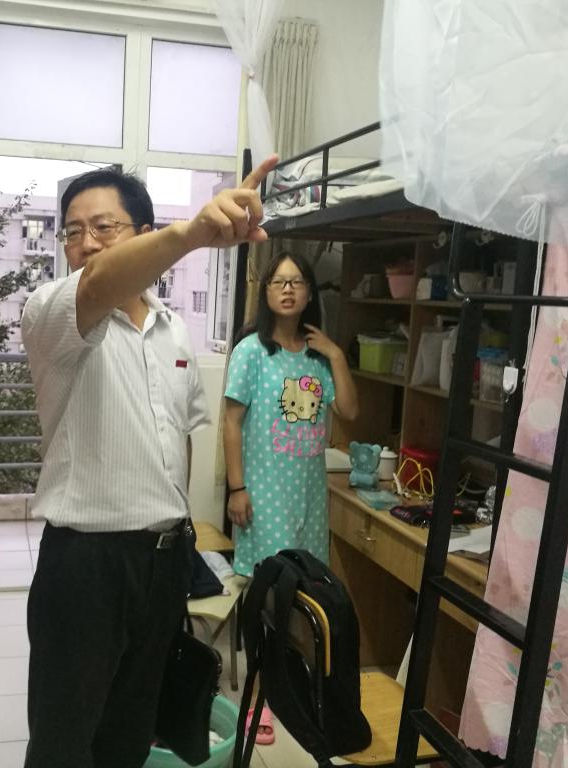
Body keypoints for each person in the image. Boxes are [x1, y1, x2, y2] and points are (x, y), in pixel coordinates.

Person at [21, 156, 278, 768]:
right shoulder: (53, 310)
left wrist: (181, 531)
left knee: (132, 729)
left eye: (104, 227)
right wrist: (194, 234)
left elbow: (180, 439)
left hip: (163, 560)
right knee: (63, 739)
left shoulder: (175, 331)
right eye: (73, 231)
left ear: (141, 232)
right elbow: (97, 282)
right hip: (85, 564)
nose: (86, 243)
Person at [223, 251, 359, 577]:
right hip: (265, 496)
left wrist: (336, 355)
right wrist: (237, 489)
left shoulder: (319, 356)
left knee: (306, 583)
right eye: (279, 282)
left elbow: (349, 410)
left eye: (296, 282)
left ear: (309, 293)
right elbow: (231, 423)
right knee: (271, 582)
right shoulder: (250, 352)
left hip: (310, 497)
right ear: (266, 292)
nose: (288, 289)